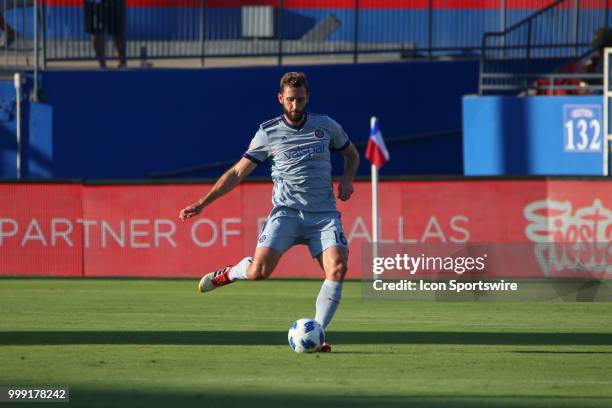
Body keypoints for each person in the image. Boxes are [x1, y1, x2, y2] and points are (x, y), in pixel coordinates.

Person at [179, 72, 360, 352]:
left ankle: (318, 333)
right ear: (280, 98)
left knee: (338, 268)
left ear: (307, 97)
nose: (295, 106)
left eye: (300, 100)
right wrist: (202, 203)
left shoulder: (326, 125)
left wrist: (348, 178)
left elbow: (352, 154)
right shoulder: (268, 132)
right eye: (290, 100)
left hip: (323, 215)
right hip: (286, 214)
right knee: (259, 272)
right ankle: (233, 271)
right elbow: (238, 172)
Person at [84, 0, 126, 68]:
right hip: (95, 3)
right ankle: (102, 65)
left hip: (115, 3)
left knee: (118, 31)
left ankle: (122, 63)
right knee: (97, 32)